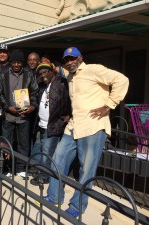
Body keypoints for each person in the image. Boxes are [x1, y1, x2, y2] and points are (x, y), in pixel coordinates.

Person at [44, 47, 129, 218]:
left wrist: (110, 104)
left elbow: (122, 79)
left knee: (86, 170)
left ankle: (77, 205)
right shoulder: (69, 76)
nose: (69, 62)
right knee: (58, 159)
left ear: (80, 58)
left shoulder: (94, 69)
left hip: (93, 127)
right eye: (66, 59)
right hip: (74, 126)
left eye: (72, 58)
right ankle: (54, 196)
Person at [0, 49, 39, 178]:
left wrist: (33, 106)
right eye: (14, 62)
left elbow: (35, 92)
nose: (16, 65)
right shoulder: (4, 75)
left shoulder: (29, 74)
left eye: (19, 62)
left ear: (22, 63)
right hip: (9, 115)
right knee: (7, 142)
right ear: (11, 63)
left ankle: (21, 168)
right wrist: (8, 107)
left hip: (24, 115)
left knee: (24, 143)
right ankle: (8, 167)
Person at [30, 62, 71, 186]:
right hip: (41, 125)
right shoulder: (42, 86)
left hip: (52, 125)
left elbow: (70, 100)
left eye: (45, 72)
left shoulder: (61, 83)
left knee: (47, 152)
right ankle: (38, 170)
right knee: (38, 149)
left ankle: (44, 176)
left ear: (51, 71)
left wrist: (69, 115)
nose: (43, 75)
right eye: (40, 73)